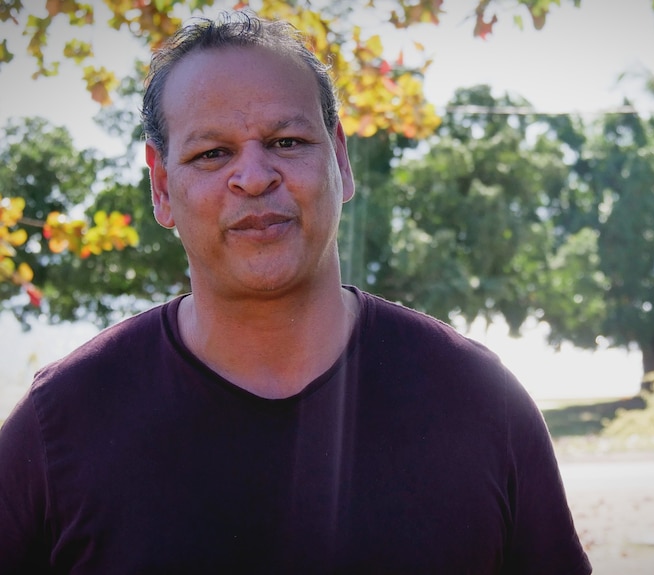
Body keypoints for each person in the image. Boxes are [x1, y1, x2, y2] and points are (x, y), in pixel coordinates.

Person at [0, 11, 592, 574]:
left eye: (286, 141)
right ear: (161, 188)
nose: (255, 178)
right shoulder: (64, 422)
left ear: (340, 157)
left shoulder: (478, 399)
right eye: (212, 153)